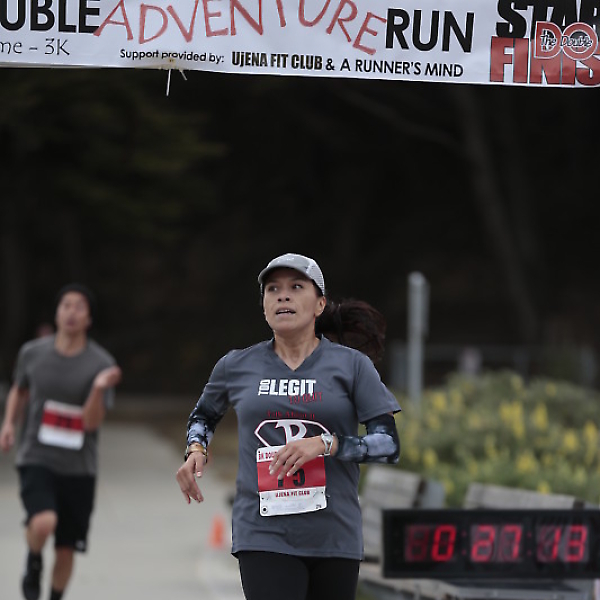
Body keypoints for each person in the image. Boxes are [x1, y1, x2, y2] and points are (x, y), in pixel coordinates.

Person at [176, 253, 401, 600]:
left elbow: (388, 445)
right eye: (273, 289)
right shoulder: (236, 365)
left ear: (320, 304)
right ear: (264, 306)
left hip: (334, 535)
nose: (283, 295)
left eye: (296, 287)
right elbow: (203, 416)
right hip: (262, 533)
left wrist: (326, 444)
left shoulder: (352, 366)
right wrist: (196, 449)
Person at [0, 283, 122, 600]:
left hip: (79, 467)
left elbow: (92, 422)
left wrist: (98, 388)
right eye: (65, 305)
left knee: (66, 549)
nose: (71, 312)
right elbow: (19, 389)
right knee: (43, 523)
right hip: (36, 456)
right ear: (56, 313)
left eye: (79, 307)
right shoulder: (32, 353)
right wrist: (9, 423)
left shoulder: (102, 364)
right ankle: (33, 561)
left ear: (89, 319)